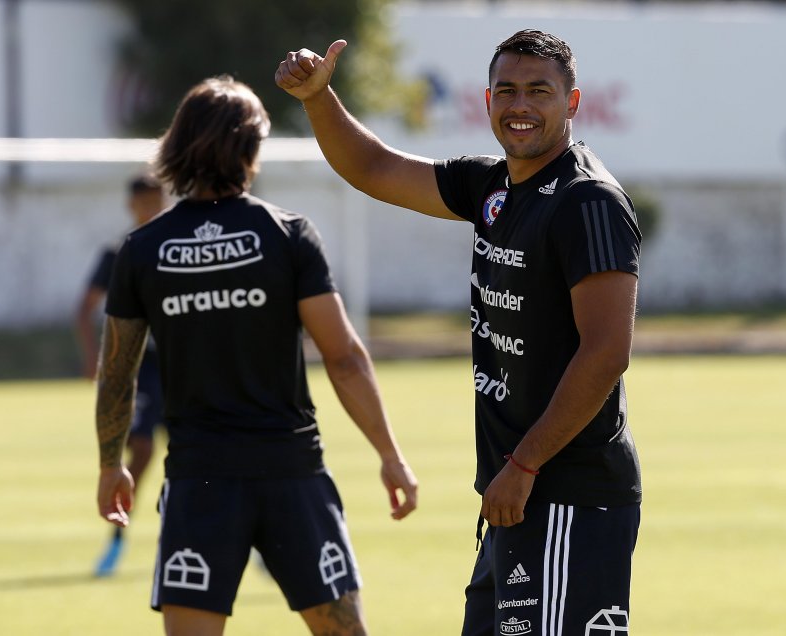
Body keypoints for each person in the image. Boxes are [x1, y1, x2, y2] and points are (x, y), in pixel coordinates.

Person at [276, 29, 642, 634]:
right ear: (487, 100)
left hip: (568, 493)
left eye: (539, 92)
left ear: (572, 103)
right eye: (507, 91)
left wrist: (523, 466)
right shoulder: (491, 186)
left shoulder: (588, 202)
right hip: (515, 495)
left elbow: (607, 352)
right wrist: (319, 97)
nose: (520, 106)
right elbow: (372, 167)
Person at [95, 75, 418, 636]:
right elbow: (343, 358)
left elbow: (117, 373)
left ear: (176, 145)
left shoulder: (143, 249)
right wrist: (390, 454)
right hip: (291, 473)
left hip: (200, 478)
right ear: (250, 149)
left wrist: (110, 464)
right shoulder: (287, 235)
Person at [76, 172, 166, 577]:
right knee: (142, 450)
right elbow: (84, 307)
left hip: (183, 363)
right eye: (144, 202)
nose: (151, 208)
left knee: (207, 447)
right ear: (131, 205)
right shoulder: (119, 253)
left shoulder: (177, 245)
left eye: (157, 200)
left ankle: (249, 542)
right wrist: (95, 357)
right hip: (142, 367)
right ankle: (116, 538)